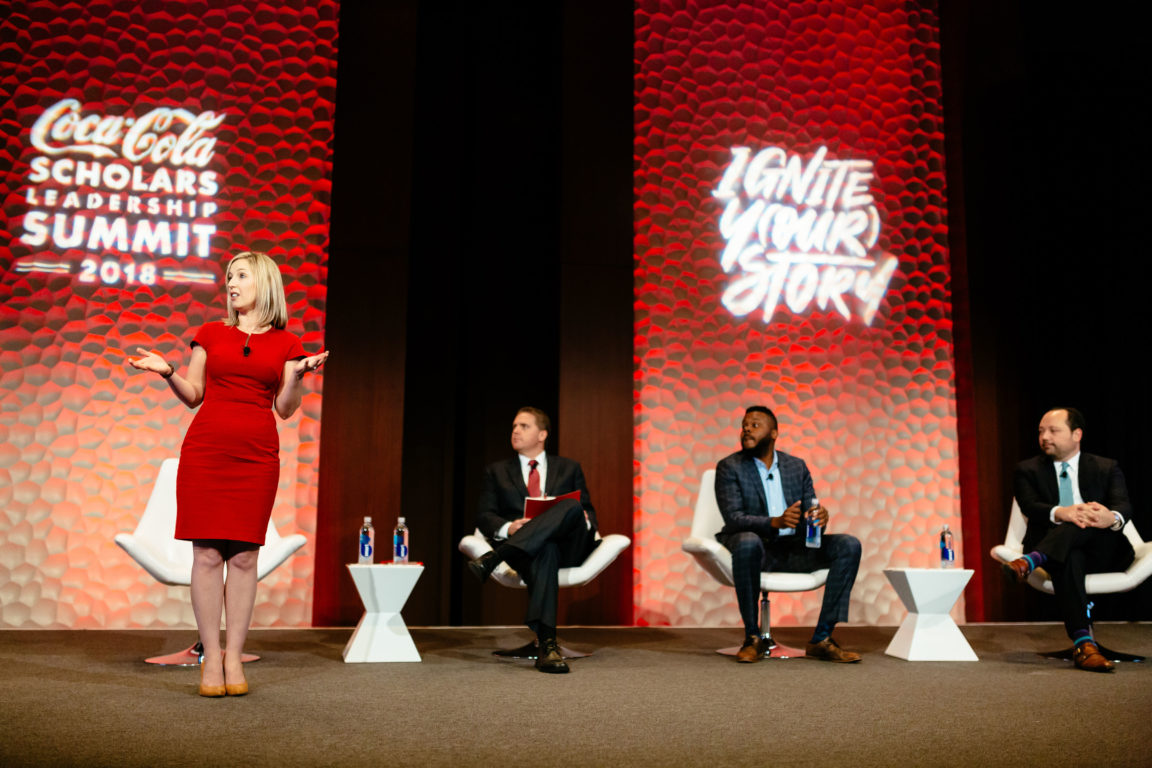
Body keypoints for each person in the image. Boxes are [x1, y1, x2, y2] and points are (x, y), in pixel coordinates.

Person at [129, 250, 328, 696]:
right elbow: (194, 394)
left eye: (240, 275)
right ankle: (210, 660)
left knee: (243, 557)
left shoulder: (287, 343)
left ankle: (234, 657)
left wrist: (296, 376)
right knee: (205, 555)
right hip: (206, 452)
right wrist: (168, 373)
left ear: (262, 282)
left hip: (256, 457)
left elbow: (284, 408)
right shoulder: (210, 334)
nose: (231, 283)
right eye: (229, 277)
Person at [714, 406, 862, 663]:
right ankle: (753, 638)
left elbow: (808, 511)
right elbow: (734, 518)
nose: (747, 429)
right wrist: (775, 522)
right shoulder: (730, 467)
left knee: (848, 544)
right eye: (744, 425)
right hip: (754, 550)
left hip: (791, 550)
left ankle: (822, 639)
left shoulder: (796, 466)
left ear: (774, 433)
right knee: (748, 541)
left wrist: (818, 519)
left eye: (755, 425)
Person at [465, 407, 598, 673]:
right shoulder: (497, 471)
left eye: (524, 426)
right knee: (544, 547)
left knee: (570, 506)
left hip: (568, 544)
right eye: (514, 426)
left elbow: (589, 512)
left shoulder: (569, 467)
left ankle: (496, 557)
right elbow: (484, 515)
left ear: (542, 434)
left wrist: (566, 517)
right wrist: (510, 527)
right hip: (530, 550)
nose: (515, 431)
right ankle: (547, 645)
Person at [1004, 407, 1134, 672]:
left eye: (1053, 430)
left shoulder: (1105, 467)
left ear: (1077, 434)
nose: (1044, 436)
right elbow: (1029, 506)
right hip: (1060, 553)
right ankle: (1085, 645)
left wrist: (1111, 518)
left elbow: (1123, 505)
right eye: (1041, 431)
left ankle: (1031, 560)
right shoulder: (1027, 469)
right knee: (1071, 551)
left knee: (1086, 518)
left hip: (1104, 550)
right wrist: (1063, 512)